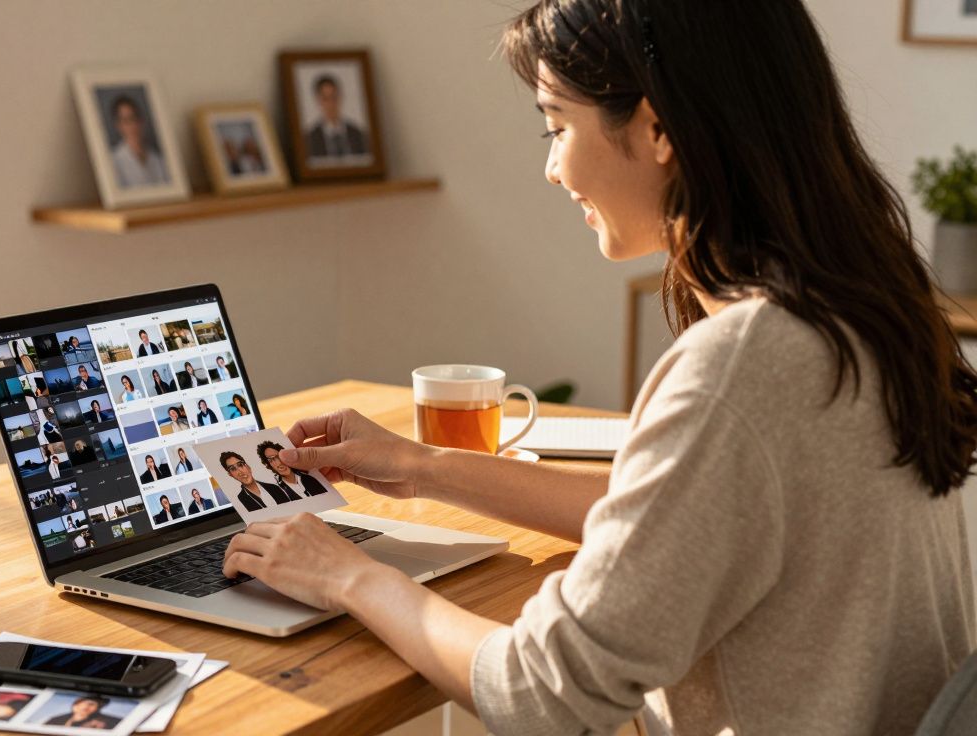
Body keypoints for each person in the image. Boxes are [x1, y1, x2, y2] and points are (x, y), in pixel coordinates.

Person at [217, 2, 977, 734]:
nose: (553, 169)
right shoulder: (867, 313)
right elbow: (680, 522)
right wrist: (422, 466)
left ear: (655, 127)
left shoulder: (746, 362)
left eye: (557, 126)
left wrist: (347, 574)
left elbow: (538, 695)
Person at [109, 95, 169, 188]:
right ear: (119, 126)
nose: (132, 125)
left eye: (134, 118)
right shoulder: (113, 161)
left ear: (141, 121)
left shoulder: (159, 159)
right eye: (126, 121)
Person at [304, 75, 369, 161]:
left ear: (340, 97)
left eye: (334, 97)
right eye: (326, 99)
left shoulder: (358, 134)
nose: (331, 104)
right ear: (318, 100)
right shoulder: (310, 139)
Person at [219, 451, 299, 512]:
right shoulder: (241, 499)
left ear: (248, 467)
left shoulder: (274, 488)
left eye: (240, 465)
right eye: (233, 469)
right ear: (231, 475)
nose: (240, 472)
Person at [258, 440, 328, 497]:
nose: (279, 463)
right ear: (269, 465)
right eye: (271, 460)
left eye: (279, 456)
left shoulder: (309, 479)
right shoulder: (277, 490)